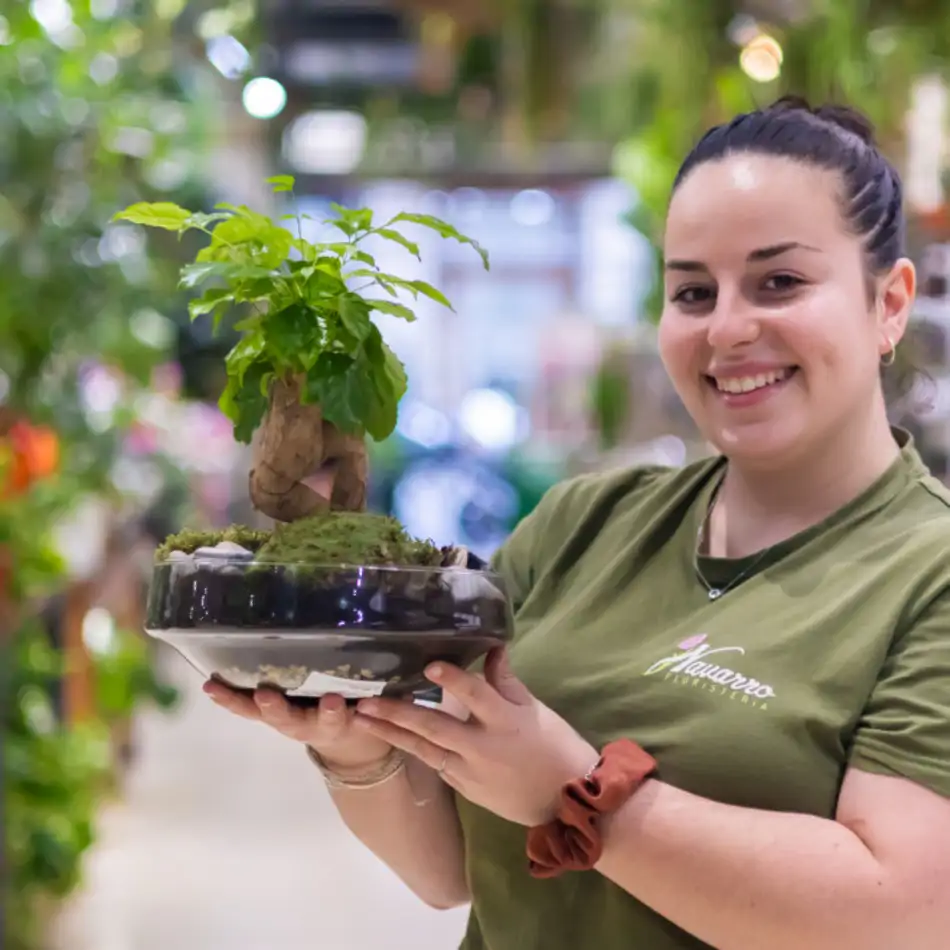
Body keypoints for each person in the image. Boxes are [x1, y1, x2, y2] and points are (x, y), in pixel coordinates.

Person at [205, 96, 950, 949]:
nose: (729, 328)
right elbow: (450, 869)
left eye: (780, 282)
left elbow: (902, 914)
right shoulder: (582, 525)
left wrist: (572, 789)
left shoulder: (928, 575)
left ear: (888, 302)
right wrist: (357, 749)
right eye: (694, 291)